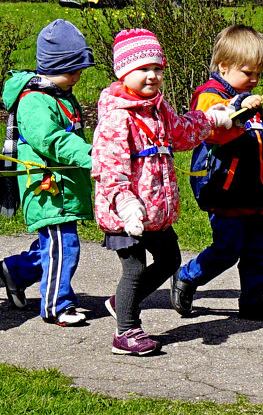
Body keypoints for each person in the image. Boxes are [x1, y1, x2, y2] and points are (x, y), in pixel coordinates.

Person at [92, 29, 231, 356]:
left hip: (155, 208)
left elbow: (181, 134)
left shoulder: (158, 107)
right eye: (143, 70)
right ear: (124, 72)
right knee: (135, 269)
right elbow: (108, 164)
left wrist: (211, 120)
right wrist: (125, 203)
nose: (152, 76)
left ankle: (122, 302)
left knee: (170, 259)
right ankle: (125, 332)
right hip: (124, 212)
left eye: (157, 68)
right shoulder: (117, 114)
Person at [171, 25, 263, 322]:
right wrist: (240, 107)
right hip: (225, 188)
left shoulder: (250, 99)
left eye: (259, 74)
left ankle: (253, 301)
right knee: (227, 249)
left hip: (256, 191)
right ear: (223, 66)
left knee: (255, 251)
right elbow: (216, 128)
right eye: (248, 73)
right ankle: (187, 277)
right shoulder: (211, 97)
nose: (255, 80)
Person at [0, 19, 96, 326]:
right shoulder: (36, 101)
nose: (78, 75)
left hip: (62, 187)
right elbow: (53, 140)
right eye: (72, 68)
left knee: (53, 246)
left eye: (81, 68)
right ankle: (56, 305)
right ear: (53, 66)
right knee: (65, 247)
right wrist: (93, 156)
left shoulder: (60, 93)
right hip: (47, 190)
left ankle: (17, 270)